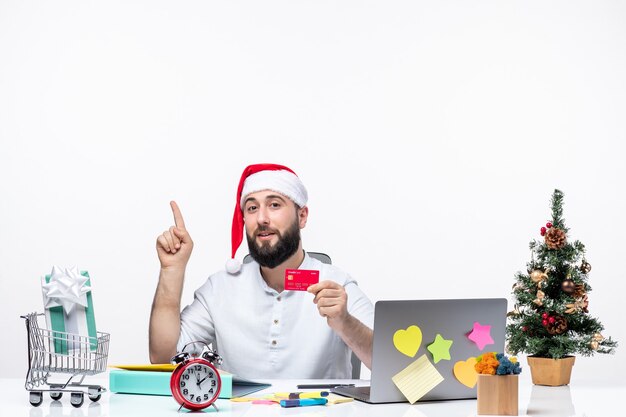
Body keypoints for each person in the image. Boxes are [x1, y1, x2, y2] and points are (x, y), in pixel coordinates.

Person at [149, 163, 374, 379]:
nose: (262, 218)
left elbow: (392, 367)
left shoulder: (337, 284)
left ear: (302, 216)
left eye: (274, 205)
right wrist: (172, 269)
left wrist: (346, 322)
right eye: (252, 207)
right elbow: (163, 358)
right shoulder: (220, 288)